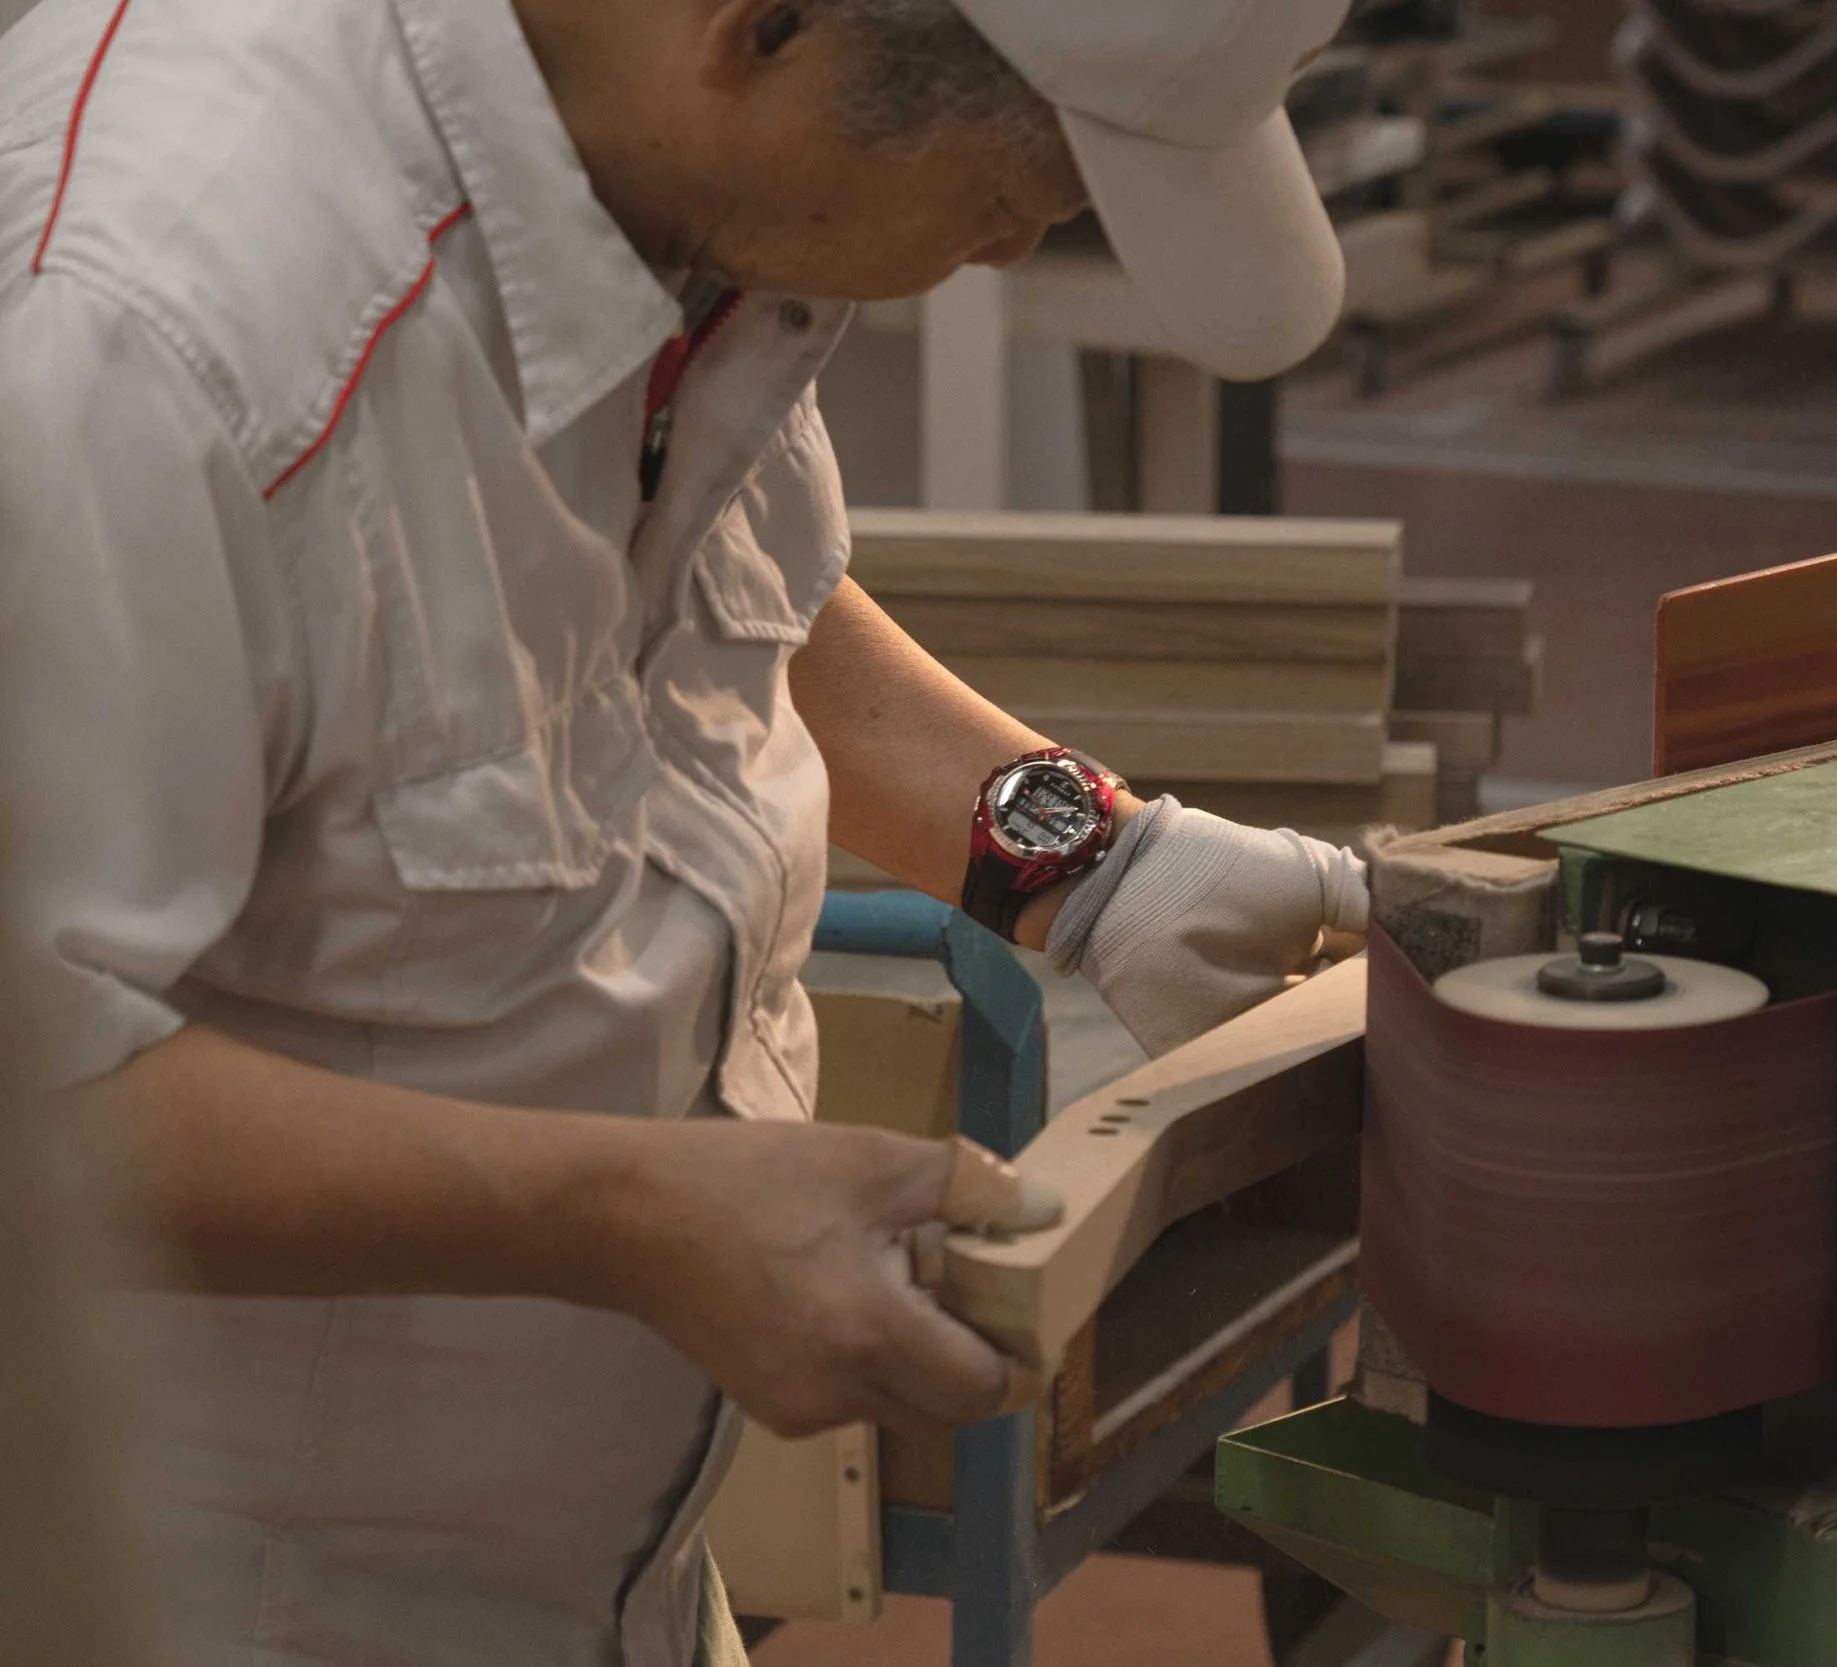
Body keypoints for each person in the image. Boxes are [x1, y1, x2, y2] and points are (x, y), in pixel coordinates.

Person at [0, 0, 1365, 1661]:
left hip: (600, 1570)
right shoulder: (133, 351)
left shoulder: (654, 174)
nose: (1013, 248)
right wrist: (626, 1215)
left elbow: (675, 575)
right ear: (768, 26)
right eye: (1017, 186)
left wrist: (1096, 868)